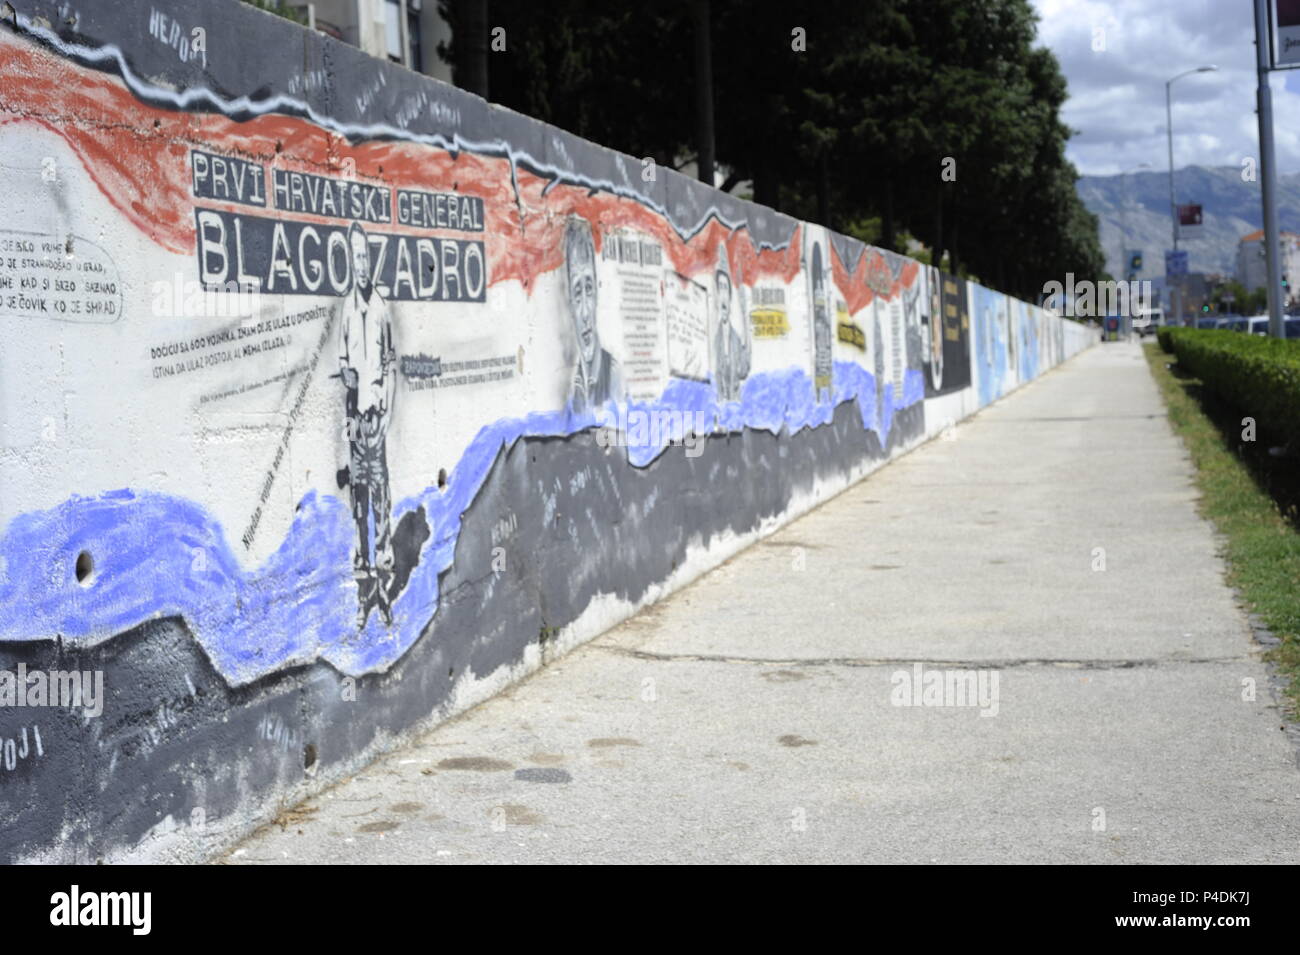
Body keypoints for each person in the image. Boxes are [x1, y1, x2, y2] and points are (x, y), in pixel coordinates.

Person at [338, 221, 396, 628]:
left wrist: (388, 417)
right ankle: (364, 597)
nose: (361, 264)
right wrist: (347, 379)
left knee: (382, 504)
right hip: (356, 424)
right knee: (359, 506)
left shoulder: (381, 309)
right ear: (350, 260)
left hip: (376, 422)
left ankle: (386, 592)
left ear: (371, 261)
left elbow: (390, 367)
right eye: (355, 256)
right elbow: (343, 362)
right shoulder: (346, 308)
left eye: (365, 256)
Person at [564, 217, 622, 413]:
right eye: (577, 292)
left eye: (588, 288)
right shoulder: (573, 383)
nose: (585, 312)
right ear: (569, 302)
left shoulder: (613, 374)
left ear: (597, 291)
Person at [712, 247, 750, 402]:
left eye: (725, 289)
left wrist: (747, 336)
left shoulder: (736, 337)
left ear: (729, 296)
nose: (723, 296)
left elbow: (743, 371)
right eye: (719, 288)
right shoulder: (714, 338)